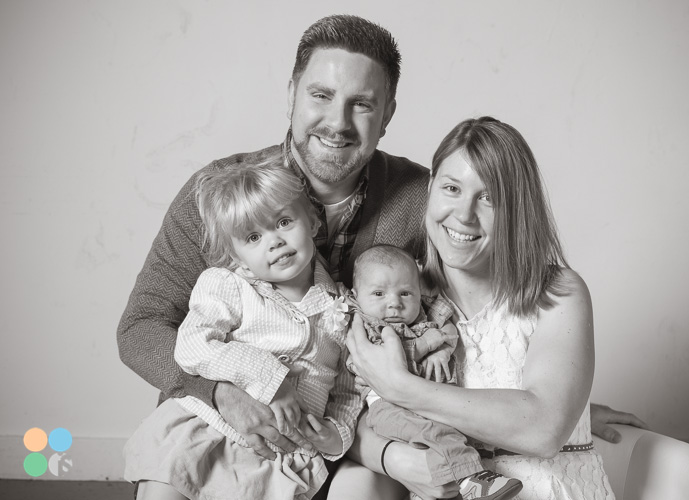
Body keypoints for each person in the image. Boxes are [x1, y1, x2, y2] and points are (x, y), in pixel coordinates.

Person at [117, 14, 646, 500]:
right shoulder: (224, 196)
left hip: (349, 435)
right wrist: (219, 392)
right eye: (321, 95)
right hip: (222, 419)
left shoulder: (423, 200)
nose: (337, 122)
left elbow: (474, 302)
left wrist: (559, 404)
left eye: (362, 104)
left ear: (387, 114)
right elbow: (142, 326)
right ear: (292, 95)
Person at [342, 117, 617, 499]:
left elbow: (543, 429)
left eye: (488, 197)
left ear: (517, 209)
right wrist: (394, 459)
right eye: (451, 188)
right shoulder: (395, 296)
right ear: (430, 188)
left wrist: (401, 386)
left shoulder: (557, 291)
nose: (464, 214)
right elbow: (346, 414)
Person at [123, 159, 362, 500]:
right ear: (235, 255)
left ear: (312, 222)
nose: (274, 241)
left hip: (275, 459)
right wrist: (269, 378)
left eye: (284, 222)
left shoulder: (343, 307)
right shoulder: (228, 286)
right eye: (253, 237)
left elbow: (349, 388)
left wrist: (338, 433)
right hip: (205, 430)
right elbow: (192, 345)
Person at [344, 244, 524, 500]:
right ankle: (472, 481)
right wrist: (426, 345)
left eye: (405, 293)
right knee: (435, 433)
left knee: (447, 434)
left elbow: (449, 329)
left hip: (427, 403)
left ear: (419, 292)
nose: (394, 303)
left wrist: (442, 352)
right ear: (356, 295)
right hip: (387, 407)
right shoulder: (365, 324)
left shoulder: (424, 314)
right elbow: (385, 363)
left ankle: (462, 484)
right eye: (379, 293)